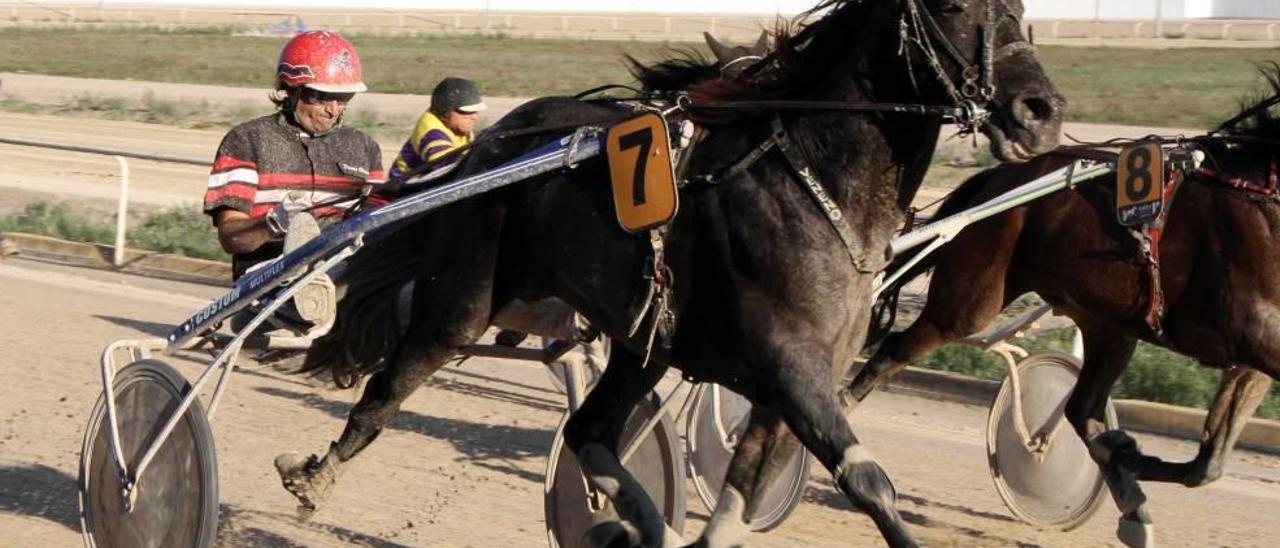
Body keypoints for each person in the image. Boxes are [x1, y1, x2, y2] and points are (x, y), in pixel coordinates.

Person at [204, 30, 385, 282]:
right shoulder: (246, 140)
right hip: (267, 277)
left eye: (344, 98)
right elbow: (230, 238)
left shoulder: (365, 147)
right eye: (321, 97)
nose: (333, 110)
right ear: (290, 89)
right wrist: (273, 224)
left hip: (345, 270)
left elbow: (380, 227)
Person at [388, 77, 486, 181]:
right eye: (466, 112)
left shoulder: (457, 125)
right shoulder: (432, 132)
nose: (474, 117)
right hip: (404, 188)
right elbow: (445, 166)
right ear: (445, 112)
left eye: (475, 111)